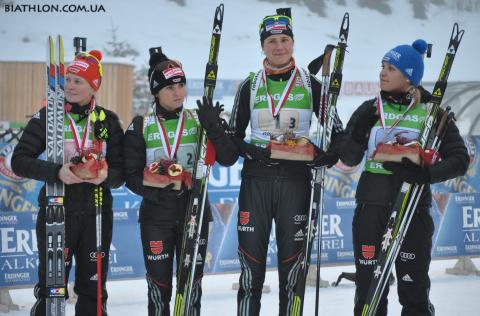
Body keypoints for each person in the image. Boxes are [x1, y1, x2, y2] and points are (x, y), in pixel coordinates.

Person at [338, 39, 469, 315]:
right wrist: (360, 128)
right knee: (369, 291)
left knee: (413, 289)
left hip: (412, 209)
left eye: (391, 68)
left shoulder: (432, 112)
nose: (382, 73)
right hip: (370, 209)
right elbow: (348, 158)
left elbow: (460, 160)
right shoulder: (370, 108)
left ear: (410, 75)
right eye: (382, 67)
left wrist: (425, 175)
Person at [228, 9, 343, 315]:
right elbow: (233, 140)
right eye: (272, 41)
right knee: (250, 274)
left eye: (284, 40)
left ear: (292, 43)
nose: (279, 47)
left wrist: (326, 154)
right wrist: (254, 151)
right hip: (257, 183)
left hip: (296, 184)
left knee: (293, 275)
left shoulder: (310, 83)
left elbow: (338, 131)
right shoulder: (249, 86)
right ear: (262, 46)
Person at [123, 47, 235, 316]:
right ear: (156, 91)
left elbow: (229, 157)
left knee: (191, 285)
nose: (177, 92)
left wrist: (215, 128)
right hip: (156, 217)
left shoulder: (198, 120)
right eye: (170, 87)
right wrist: (155, 193)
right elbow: (130, 174)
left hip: (194, 213)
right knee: (159, 287)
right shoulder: (142, 124)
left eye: (181, 85)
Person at [12, 49, 124, 315]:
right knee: (53, 287)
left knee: (93, 290)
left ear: (94, 85)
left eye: (78, 81)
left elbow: (121, 173)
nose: (70, 86)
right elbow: (19, 160)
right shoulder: (48, 116)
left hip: (97, 213)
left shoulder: (107, 120)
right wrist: (57, 172)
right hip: (57, 209)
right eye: (68, 79)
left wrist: (106, 175)